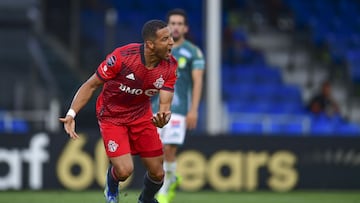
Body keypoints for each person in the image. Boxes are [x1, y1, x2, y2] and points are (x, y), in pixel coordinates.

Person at [59, 19, 178, 203]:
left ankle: (145, 200)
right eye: (165, 39)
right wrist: (71, 114)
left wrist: (164, 116)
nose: (171, 42)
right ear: (150, 45)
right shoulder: (123, 57)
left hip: (141, 115)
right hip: (112, 117)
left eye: (170, 37)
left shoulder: (170, 66)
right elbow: (91, 85)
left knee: (158, 173)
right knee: (124, 171)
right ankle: (112, 186)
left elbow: (165, 102)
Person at [152, 9, 205, 203]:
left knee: (169, 150)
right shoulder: (158, 48)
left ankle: (164, 191)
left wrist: (194, 110)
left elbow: (198, 82)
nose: (175, 27)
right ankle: (170, 178)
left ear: (185, 28)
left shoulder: (193, 52)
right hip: (156, 109)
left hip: (180, 110)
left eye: (179, 24)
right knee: (154, 152)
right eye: (172, 23)